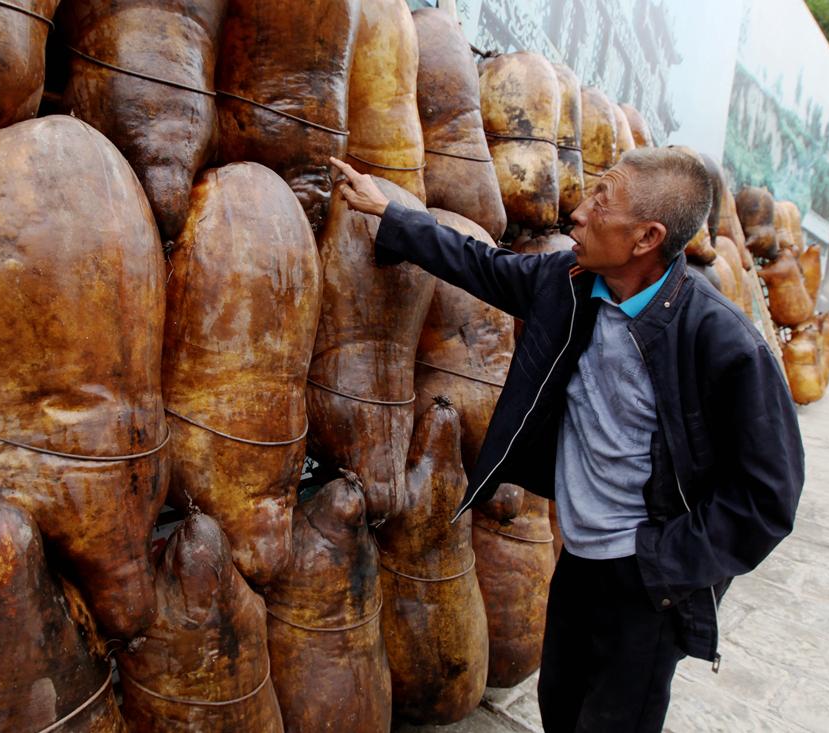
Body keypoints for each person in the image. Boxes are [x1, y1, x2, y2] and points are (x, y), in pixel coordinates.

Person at [328, 150, 804, 733]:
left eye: (602, 202)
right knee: (560, 704)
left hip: (647, 583)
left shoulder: (722, 341)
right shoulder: (573, 285)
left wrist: (663, 563)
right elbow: (483, 266)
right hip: (579, 558)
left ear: (646, 237)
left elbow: (768, 498)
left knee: (613, 721)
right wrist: (392, 214)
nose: (577, 214)